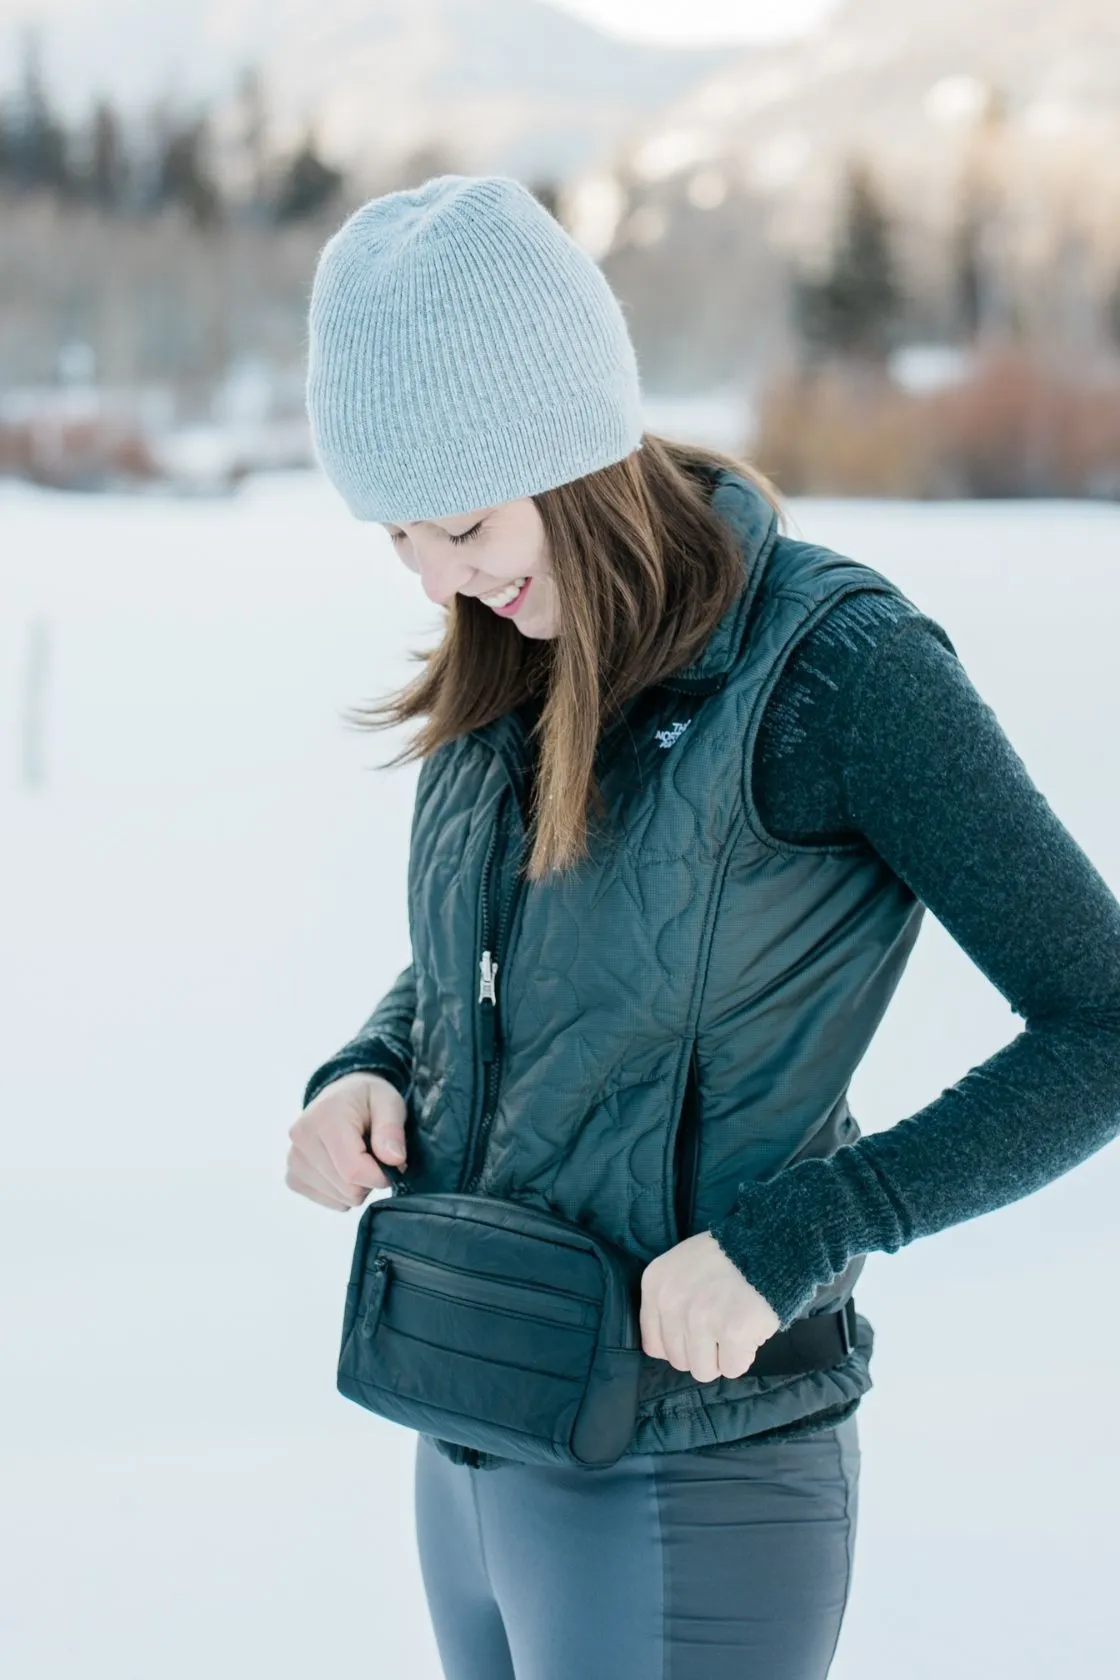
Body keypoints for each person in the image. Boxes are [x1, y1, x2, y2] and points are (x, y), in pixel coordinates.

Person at [285, 174, 1120, 1680]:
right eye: (397, 538)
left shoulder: (839, 672)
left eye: (460, 523)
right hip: (475, 1421)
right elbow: (504, 958)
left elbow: (1104, 1021)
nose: (436, 579)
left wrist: (810, 1228)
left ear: (575, 449)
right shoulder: (520, 651)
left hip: (691, 1467)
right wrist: (373, 1061)